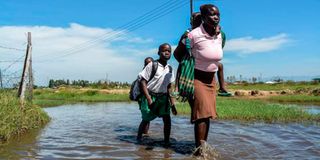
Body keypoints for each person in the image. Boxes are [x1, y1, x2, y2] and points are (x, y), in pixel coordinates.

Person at [174, 4, 224, 151]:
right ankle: (199, 151)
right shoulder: (192, 35)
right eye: (212, 15)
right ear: (203, 18)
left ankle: (202, 146)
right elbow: (177, 54)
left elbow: (216, 53)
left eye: (218, 15)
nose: (216, 17)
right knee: (202, 114)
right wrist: (188, 64)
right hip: (196, 78)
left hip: (211, 80)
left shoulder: (221, 34)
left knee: (206, 114)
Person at [175, 12, 230, 96]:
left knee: (220, 65)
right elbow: (178, 53)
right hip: (190, 60)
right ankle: (177, 87)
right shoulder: (189, 33)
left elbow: (218, 48)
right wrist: (188, 62)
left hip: (206, 65)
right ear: (191, 22)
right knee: (183, 64)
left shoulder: (215, 33)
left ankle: (222, 87)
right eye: (196, 19)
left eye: (201, 19)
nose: (199, 21)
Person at [137, 43, 177, 146]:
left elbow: (169, 87)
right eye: (164, 50)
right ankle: (138, 140)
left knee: (167, 119)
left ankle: (166, 142)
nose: (167, 52)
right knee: (146, 119)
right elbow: (143, 82)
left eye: (169, 51)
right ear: (159, 52)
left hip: (163, 97)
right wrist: (149, 98)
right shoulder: (152, 65)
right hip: (151, 96)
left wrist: (172, 104)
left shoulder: (170, 69)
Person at [141, 57, 154, 136]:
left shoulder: (154, 72)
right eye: (147, 63)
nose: (149, 65)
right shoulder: (143, 73)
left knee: (147, 118)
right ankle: (143, 134)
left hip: (151, 97)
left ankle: (145, 133)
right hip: (144, 98)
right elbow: (142, 85)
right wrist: (148, 97)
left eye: (150, 63)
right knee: (146, 118)